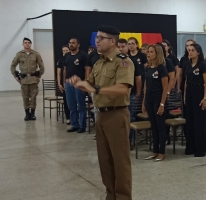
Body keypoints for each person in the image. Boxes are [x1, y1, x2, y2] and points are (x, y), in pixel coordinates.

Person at [69, 25, 134, 200]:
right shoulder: (98, 63)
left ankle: (123, 197)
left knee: (120, 163)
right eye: (96, 38)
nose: (96, 41)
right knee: (105, 162)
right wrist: (79, 83)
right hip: (101, 115)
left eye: (101, 38)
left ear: (112, 41)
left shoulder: (123, 62)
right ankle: (110, 195)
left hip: (117, 115)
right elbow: (89, 85)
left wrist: (95, 89)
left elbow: (122, 89)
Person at [143, 44, 169, 162]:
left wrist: (162, 104)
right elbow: (146, 86)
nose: (148, 53)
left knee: (160, 126)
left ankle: (162, 152)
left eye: (151, 52)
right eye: (148, 51)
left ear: (157, 54)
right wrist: (144, 101)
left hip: (159, 100)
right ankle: (155, 150)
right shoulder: (148, 68)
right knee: (153, 126)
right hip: (149, 100)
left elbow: (165, 87)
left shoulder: (162, 68)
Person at [184, 43, 206, 157]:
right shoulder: (188, 64)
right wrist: (184, 95)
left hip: (199, 92)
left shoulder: (203, 64)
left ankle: (200, 149)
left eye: (193, 50)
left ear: (198, 52)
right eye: (189, 50)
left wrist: (205, 97)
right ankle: (191, 147)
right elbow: (186, 81)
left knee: (199, 122)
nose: (190, 52)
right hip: (189, 92)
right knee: (189, 121)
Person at [10, 37, 45, 121]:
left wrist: (38, 76)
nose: (27, 44)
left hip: (33, 79)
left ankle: (32, 113)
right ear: (23, 44)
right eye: (25, 42)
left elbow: (42, 66)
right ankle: (27, 113)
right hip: (24, 79)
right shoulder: (19, 54)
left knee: (33, 97)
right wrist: (15, 76)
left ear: (31, 44)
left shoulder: (36, 54)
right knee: (25, 97)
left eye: (29, 42)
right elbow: (13, 66)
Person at [117, 38, 142, 149]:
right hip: (117, 95)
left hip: (130, 94)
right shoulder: (114, 61)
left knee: (129, 118)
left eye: (123, 46)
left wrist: (139, 92)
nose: (121, 49)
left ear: (127, 47)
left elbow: (138, 78)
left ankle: (128, 141)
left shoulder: (132, 61)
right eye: (119, 47)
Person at [63, 38, 90, 133]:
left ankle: (82, 126)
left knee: (81, 105)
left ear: (78, 45)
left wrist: (86, 84)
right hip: (69, 83)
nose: (71, 45)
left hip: (79, 84)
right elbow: (65, 69)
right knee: (71, 105)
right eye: (69, 43)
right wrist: (64, 82)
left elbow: (87, 70)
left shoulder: (83, 55)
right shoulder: (67, 55)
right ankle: (74, 124)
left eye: (73, 43)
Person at [156, 42, 176, 145]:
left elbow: (172, 78)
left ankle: (166, 137)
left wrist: (168, 91)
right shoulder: (152, 64)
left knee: (165, 117)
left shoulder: (167, 62)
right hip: (155, 95)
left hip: (165, 93)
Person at [57, 45, 70, 124]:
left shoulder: (72, 58)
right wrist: (59, 83)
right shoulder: (60, 60)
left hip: (73, 82)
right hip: (64, 84)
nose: (65, 52)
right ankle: (68, 117)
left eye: (66, 50)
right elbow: (58, 73)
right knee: (66, 101)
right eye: (64, 51)